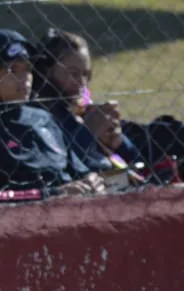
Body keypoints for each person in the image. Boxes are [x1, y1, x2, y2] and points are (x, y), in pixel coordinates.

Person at [0, 29, 104, 210]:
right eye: (13, 70)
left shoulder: (44, 119)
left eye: (28, 70)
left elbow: (80, 172)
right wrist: (50, 196)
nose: (25, 80)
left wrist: (92, 182)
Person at [31, 28, 143, 179]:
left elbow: (141, 164)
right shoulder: (36, 117)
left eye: (86, 74)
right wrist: (88, 132)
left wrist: (117, 143)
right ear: (47, 71)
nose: (81, 83)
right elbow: (59, 166)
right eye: (73, 73)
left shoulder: (80, 112)